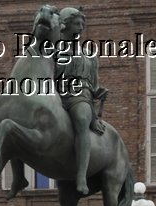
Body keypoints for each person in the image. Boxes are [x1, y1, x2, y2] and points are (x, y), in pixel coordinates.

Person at [56, 6, 108, 196]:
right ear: (65, 26)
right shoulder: (54, 51)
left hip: (80, 97)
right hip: (56, 94)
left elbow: (94, 87)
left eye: (82, 25)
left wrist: (99, 92)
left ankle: (81, 175)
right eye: (76, 24)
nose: (80, 28)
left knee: (81, 121)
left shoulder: (90, 57)